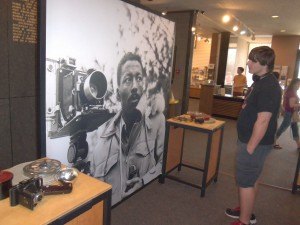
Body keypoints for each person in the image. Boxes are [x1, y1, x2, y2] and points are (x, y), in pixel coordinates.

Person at [86, 52, 165, 205]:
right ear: (117, 93)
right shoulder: (102, 141)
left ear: (144, 85)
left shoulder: (157, 121)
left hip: (147, 205)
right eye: (128, 80)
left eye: (139, 78)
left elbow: (164, 162)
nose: (135, 86)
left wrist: (144, 181)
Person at [225, 46, 282, 225]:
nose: (248, 63)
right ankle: (246, 210)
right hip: (251, 140)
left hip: (254, 143)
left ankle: (244, 221)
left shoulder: (268, 85)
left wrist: (250, 147)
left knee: (246, 182)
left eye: (252, 60)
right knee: (252, 178)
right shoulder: (260, 80)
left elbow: (263, 120)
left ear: (263, 64)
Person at [274, 78, 300, 149]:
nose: (299, 86)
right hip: (290, 113)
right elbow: (291, 105)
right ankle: (273, 141)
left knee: (295, 129)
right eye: (298, 84)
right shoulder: (291, 92)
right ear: (294, 84)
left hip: (291, 113)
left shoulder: (291, 91)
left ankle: (298, 145)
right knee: (283, 128)